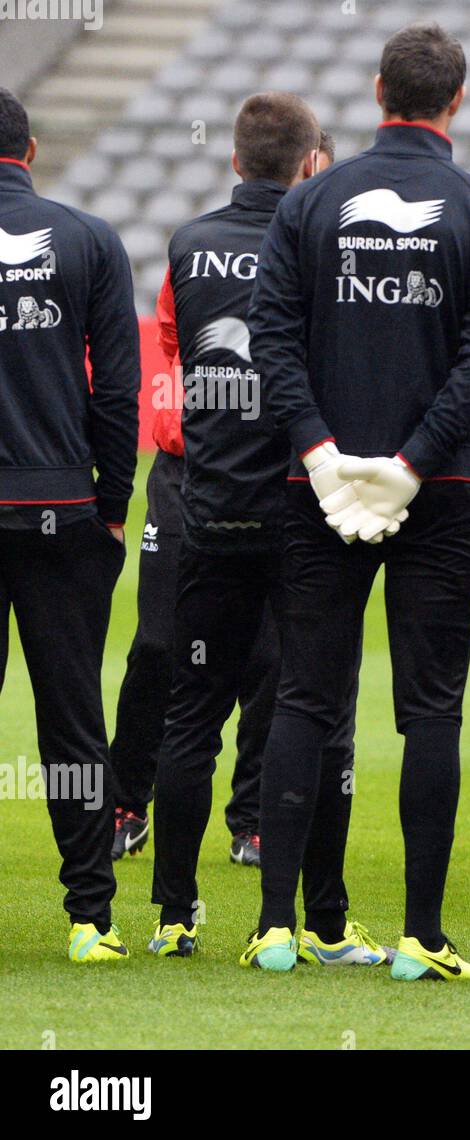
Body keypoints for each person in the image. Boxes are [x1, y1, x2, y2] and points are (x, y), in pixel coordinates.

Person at [246, 23, 470, 978]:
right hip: (438, 491)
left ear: (376, 92)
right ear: (457, 99)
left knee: (305, 699)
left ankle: (279, 926)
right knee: (432, 710)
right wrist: (411, 463)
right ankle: (422, 937)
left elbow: (270, 336)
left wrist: (323, 456)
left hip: (317, 488)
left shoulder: (312, 201)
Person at [143, 94, 377, 966]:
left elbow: (181, 354)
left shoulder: (189, 245)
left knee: (190, 717)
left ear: (235, 159)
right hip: (303, 513)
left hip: (210, 512)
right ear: (312, 163)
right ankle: (317, 919)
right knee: (317, 716)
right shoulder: (324, 242)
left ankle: (172, 913)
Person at [107, 125, 339, 871]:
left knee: (271, 659)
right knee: (156, 647)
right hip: (188, 469)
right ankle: (124, 801)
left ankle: (253, 817)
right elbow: (176, 347)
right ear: (303, 169)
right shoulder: (201, 251)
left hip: (281, 476)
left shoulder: (313, 253)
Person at [0, 86, 140, 961]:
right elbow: (117, 393)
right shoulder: (89, 239)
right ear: (34, 149)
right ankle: (91, 917)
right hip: (60, 509)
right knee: (73, 719)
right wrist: (115, 505)